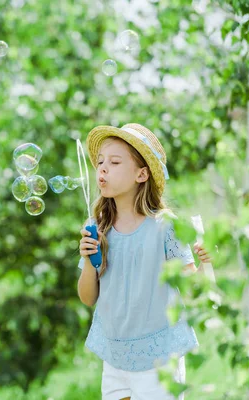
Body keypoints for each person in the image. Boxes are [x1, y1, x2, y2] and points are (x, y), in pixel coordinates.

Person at [77, 123, 212, 400]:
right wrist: (89, 261)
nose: (103, 168)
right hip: (115, 358)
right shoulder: (98, 227)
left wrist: (205, 265)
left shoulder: (165, 227)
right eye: (101, 162)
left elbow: (193, 292)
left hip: (158, 359)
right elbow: (88, 297)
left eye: (114, 162)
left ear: (141, 174)